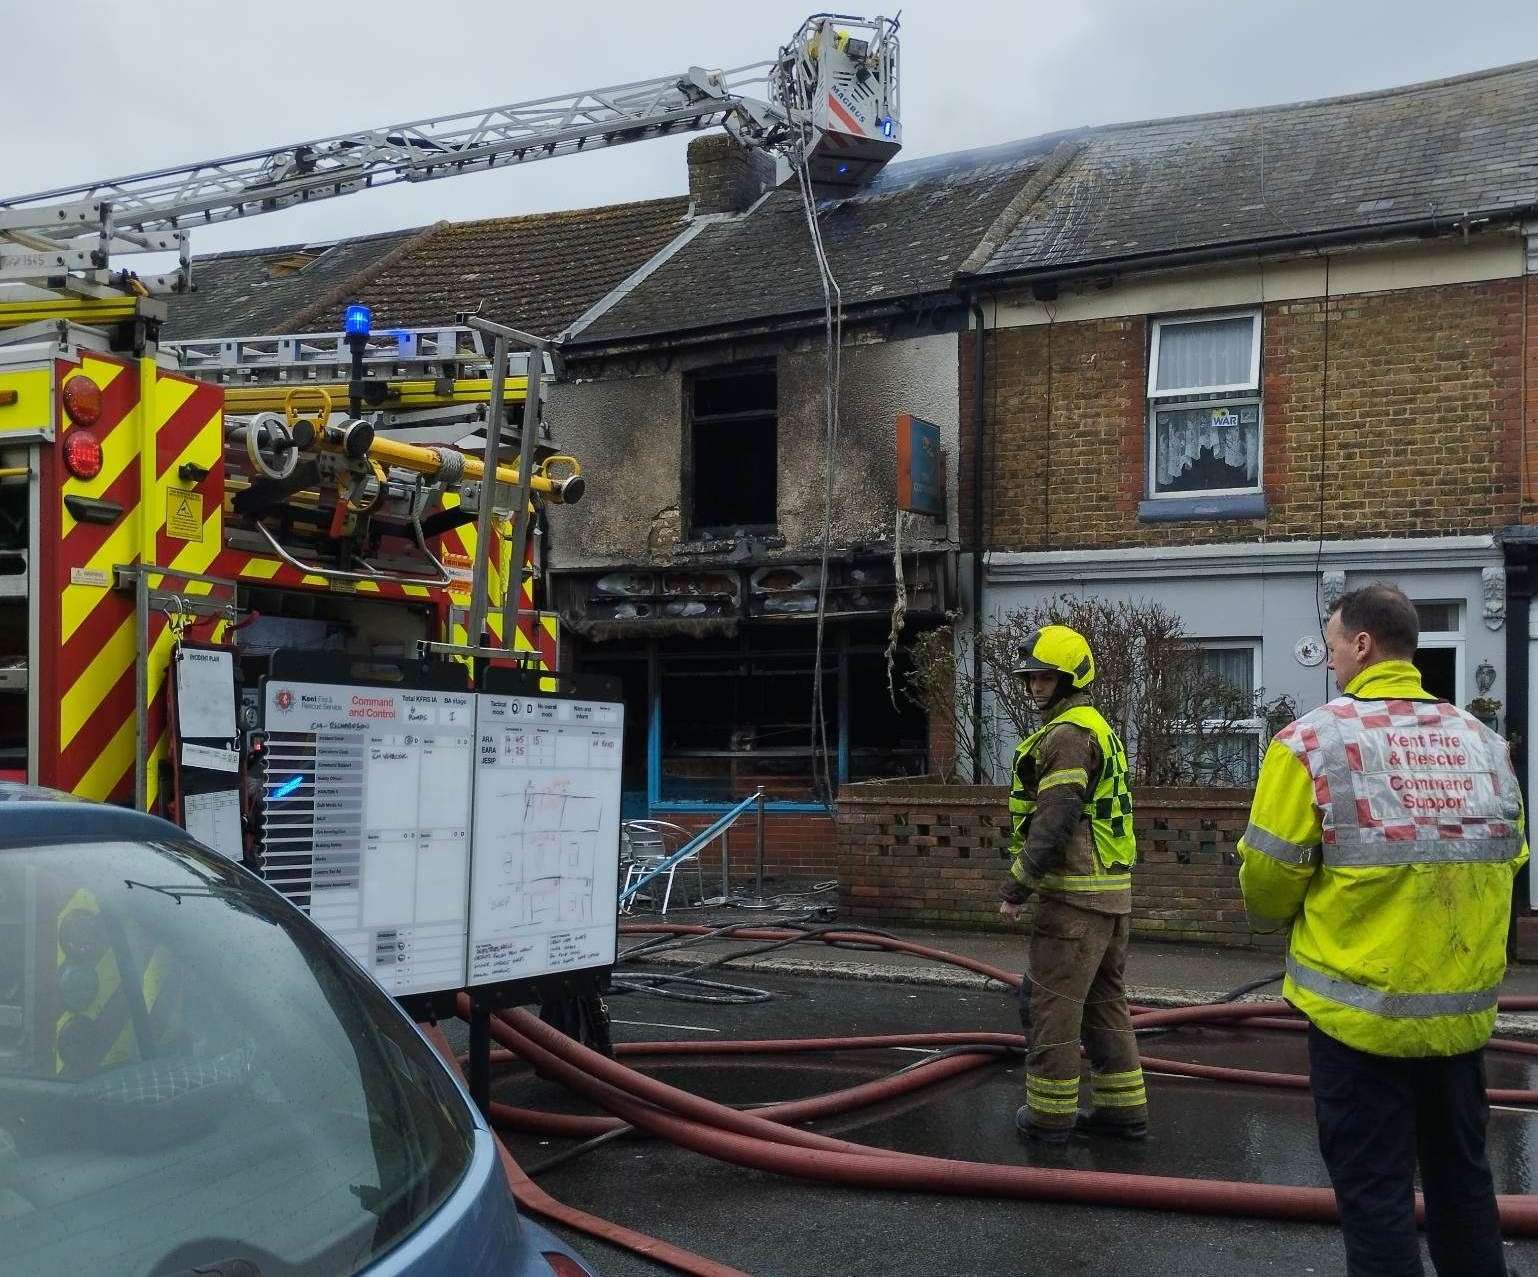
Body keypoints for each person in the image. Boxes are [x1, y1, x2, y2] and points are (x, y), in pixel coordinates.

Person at [1239, 583, 1526, 1277]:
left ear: (1362, 644)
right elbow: (1509, 860)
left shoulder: (1311, 742)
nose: (1331, 659)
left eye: (1334, 645)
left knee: (1377, 1201)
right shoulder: (1484, 744)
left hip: (1358, 1026)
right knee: (1464, 1188)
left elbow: (1267, 888)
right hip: (1457, 1025)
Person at [1000, 624, 1146, 1143]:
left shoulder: (1066, 736)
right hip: (1111, 895)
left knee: (1052, 1007)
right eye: (1032, 678)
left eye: (1045, 677)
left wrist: (1017, 884)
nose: (1035, 686)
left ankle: (1049, 1119)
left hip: (1074, 899)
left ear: (1070, 678)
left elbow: (1055, 816)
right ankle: (1122, 1111)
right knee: (1106, 1004)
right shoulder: (1098, 728)